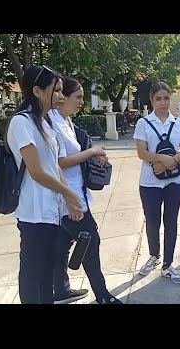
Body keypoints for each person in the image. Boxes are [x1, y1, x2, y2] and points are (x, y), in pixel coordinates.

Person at [6, 65, 84, 304]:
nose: (61, 96)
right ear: (38, 91)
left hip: (51, 210)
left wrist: (68, 199)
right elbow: (37, 172)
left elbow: (55, 166)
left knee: (48, 273)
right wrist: (68, 191)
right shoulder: (22, 123)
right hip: (34, 212)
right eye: (57, 90)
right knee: (32, 274)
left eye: (62, 91)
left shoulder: (46, 122)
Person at [50, 77, 122, 304]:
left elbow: (82, 145)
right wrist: (92, 152)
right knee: (91, 240)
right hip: (67, 196)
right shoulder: (52, 123)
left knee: (61, 245)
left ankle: (60, 290)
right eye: (78, 97)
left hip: (77, 193)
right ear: (62, 99)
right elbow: (60, 162)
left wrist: (95, 150)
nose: (82, 101)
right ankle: (102, 296)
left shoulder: (67, 122)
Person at [134, 82, 180, 284]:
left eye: (166, 98)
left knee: (171, 221)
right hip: (149, 182)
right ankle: (153, 255)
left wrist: (169, 162)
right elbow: (142, 152)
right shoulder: (143, 123)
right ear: (151, 100)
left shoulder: (179, 123)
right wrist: (161, 159)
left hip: (175, 181)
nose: (163, 102)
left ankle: (168, 264)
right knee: (152, 221)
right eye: (158, 98)